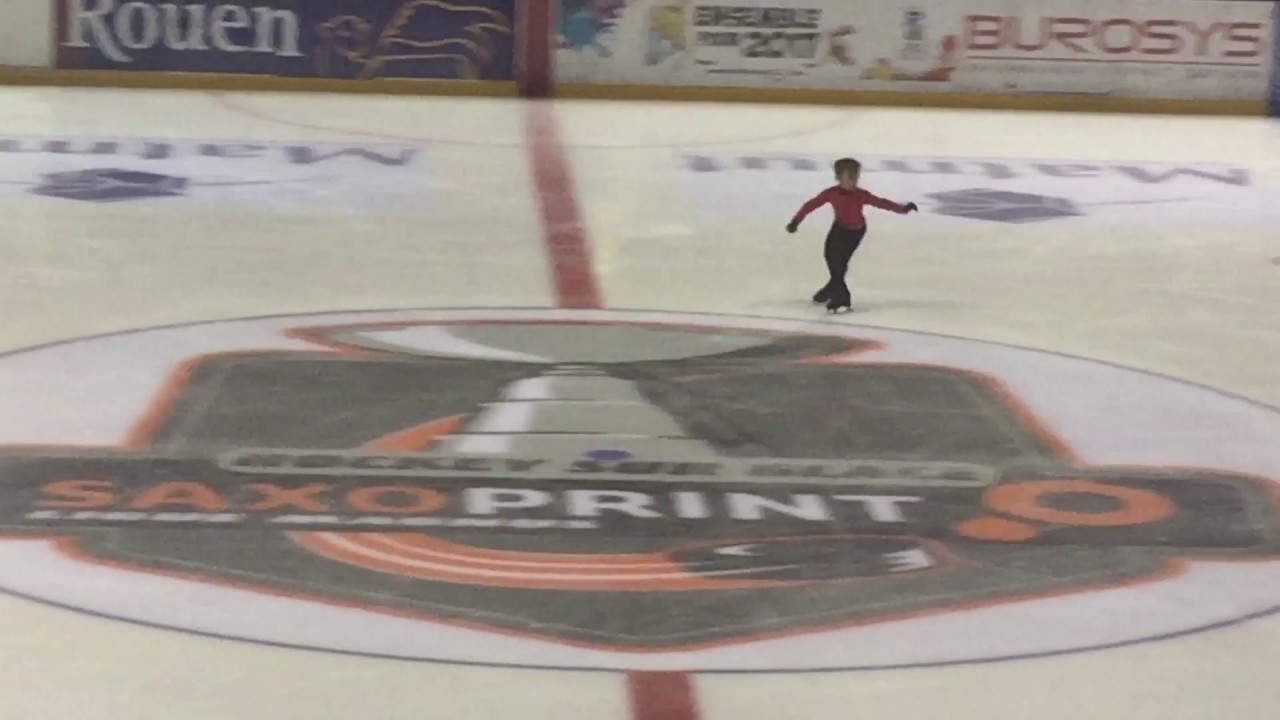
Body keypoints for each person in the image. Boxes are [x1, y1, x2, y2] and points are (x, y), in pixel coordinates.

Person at [787, 158, 918, 312]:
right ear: (838, 177)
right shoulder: (831, 193)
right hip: (839, 228)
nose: (853, 181)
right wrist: (796, 220)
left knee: (839, 264)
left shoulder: (861, 195)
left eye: (855, 177)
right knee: (832, 259)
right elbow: (811, 205)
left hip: (856, 232)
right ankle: (828, 291)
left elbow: (881, 203)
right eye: (849, 177)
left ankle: (841, 299)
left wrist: (903, 209)